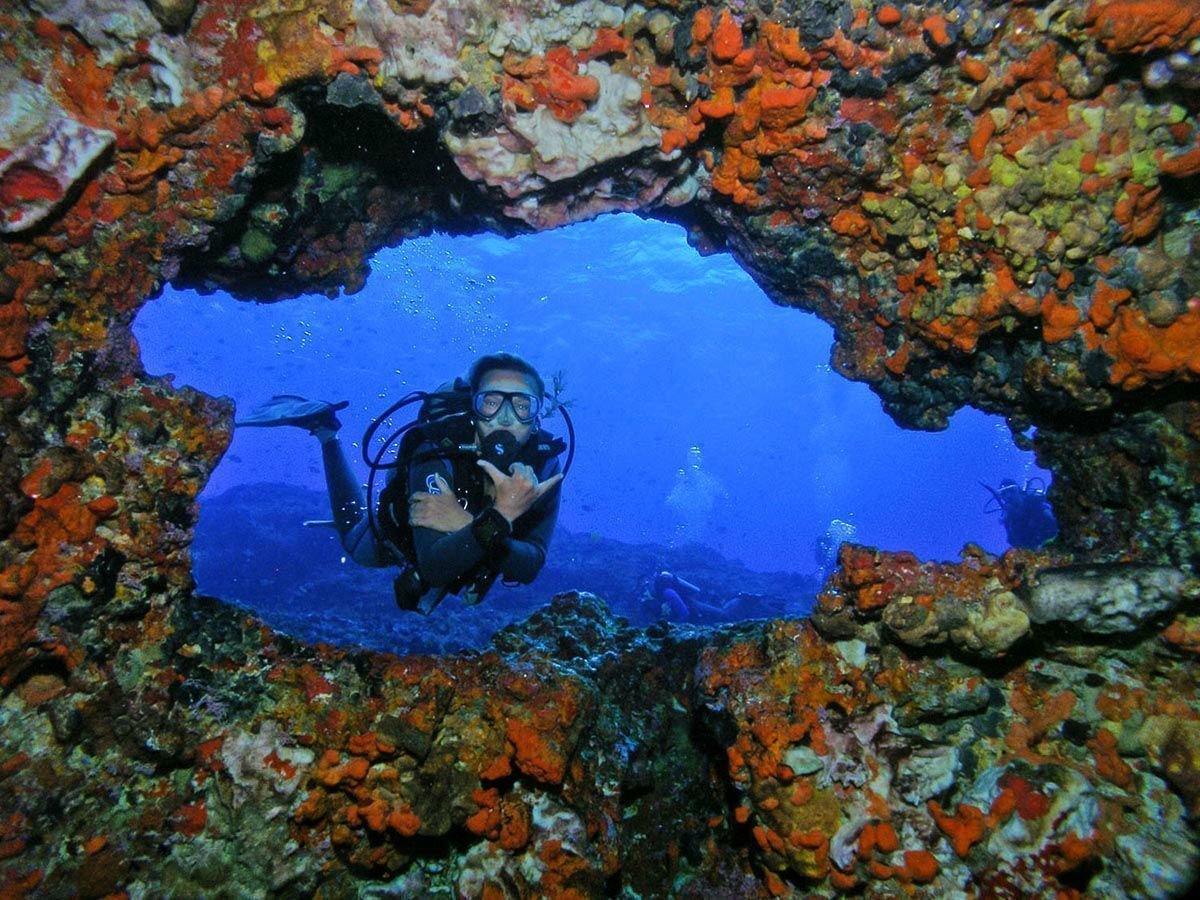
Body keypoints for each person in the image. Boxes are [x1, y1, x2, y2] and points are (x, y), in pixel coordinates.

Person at [238, 352, 565, 613]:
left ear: (537, 418)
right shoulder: (437, 453)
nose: (506, 418)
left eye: (523, 406)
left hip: (474, 550)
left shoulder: (547, 463)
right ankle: (326, 432)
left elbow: (530, 565)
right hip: (396, 542)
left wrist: (470, 523)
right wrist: (501, 517)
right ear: (473, 409)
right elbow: (435, 566)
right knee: (353, 538)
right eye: (491, 402)